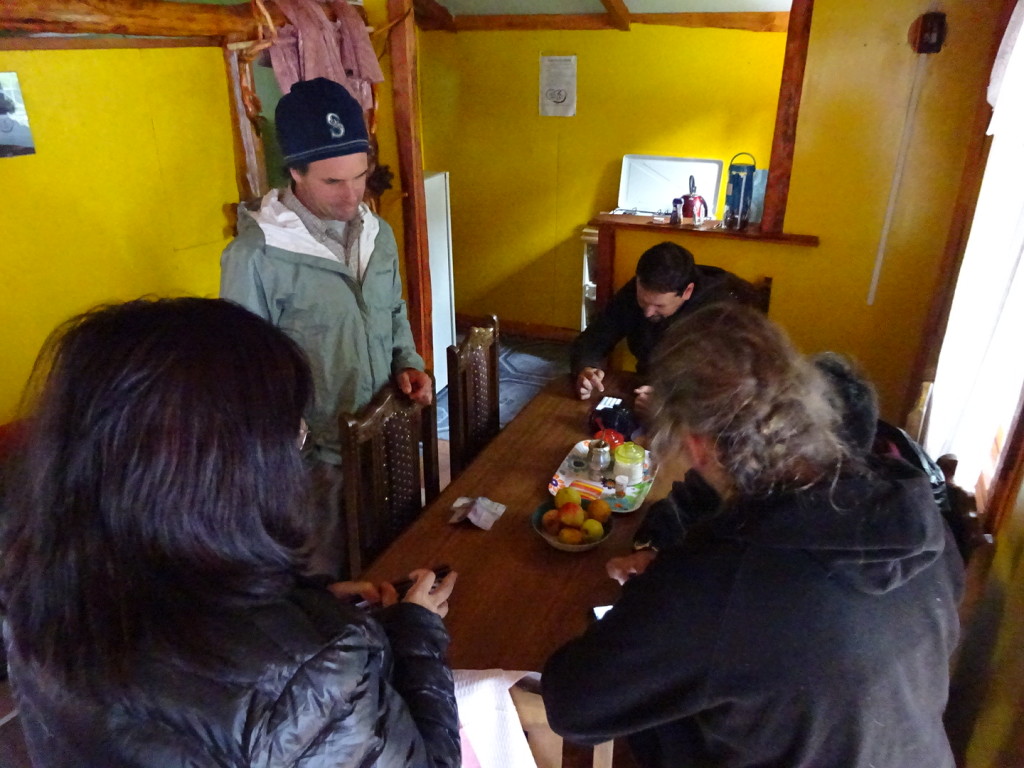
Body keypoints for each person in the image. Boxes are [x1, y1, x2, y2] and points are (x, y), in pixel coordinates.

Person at [0, 297, 460, 768]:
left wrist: (302, 607)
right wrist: (416, 631)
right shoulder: (309, 678)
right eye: (291, 433)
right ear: (230, 471)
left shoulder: (31, 583)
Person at [543, 304, 964, 768]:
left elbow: (572, 704)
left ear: (699, 444)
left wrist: (660, 600)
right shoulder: (914, 513)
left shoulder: (718, 585)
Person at [220, 77, 431, 575]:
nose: (352, 194)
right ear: (294, 172)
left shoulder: (376, 235)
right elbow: (243, 373)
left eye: (361, 175)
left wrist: (409, 362)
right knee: (329, 580)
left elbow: (393, 311)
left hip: (387, 428)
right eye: (333, 182)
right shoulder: (256, 257)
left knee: (394, 555)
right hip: (317, 464)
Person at [570, 241, 752, 414]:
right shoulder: (635, 290)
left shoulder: (719, 311)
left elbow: (730, 389)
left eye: (659, 306)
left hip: (694, 407)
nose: (648, 313)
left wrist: (669, 404)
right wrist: (586, 369)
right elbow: (594, 338)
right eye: (643, 302)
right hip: (644, 389)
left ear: (687, 292)